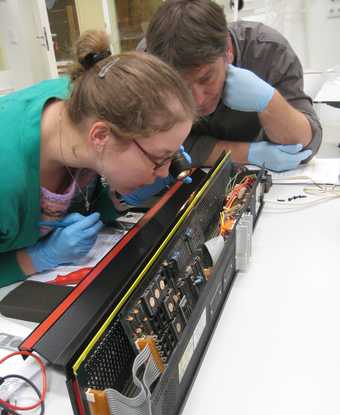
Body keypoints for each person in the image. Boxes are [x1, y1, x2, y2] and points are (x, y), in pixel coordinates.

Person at [0, 30, 195, 288]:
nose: (163, 173)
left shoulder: (89, 99)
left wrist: (116, 199)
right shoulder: (7, 175)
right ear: (101, 136)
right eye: (160, 159)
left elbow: (86, 199)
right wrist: (34, 259)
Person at [136, 0, 322, 174]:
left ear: (228, 49)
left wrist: (270, 103)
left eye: (206, 78)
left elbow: (305, 144)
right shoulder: (147, 66)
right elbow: (158, 148)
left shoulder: (267, 51)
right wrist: (247, 153)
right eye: (181, 87)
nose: (197, 100)